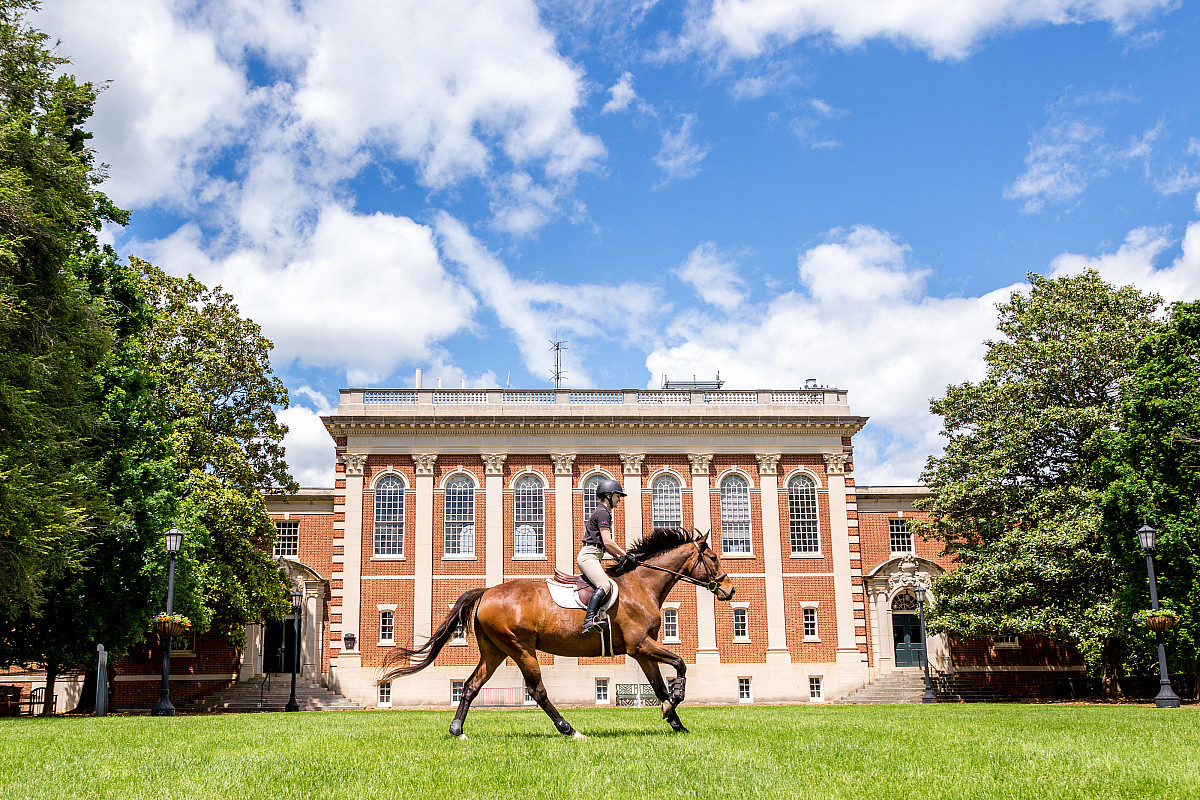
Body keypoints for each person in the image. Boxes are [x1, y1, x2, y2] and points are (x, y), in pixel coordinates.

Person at [578, 478, 636, 634]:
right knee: (604, 585)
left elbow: (604, 546)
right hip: (589, 556)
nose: (619, 500)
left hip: (594, 554)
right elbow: (608, 541)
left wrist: (619, 558)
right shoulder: (603, 512)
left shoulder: (603, 512)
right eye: (618, 496)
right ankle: (589, 621)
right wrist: (626, 555)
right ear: (609, 495)